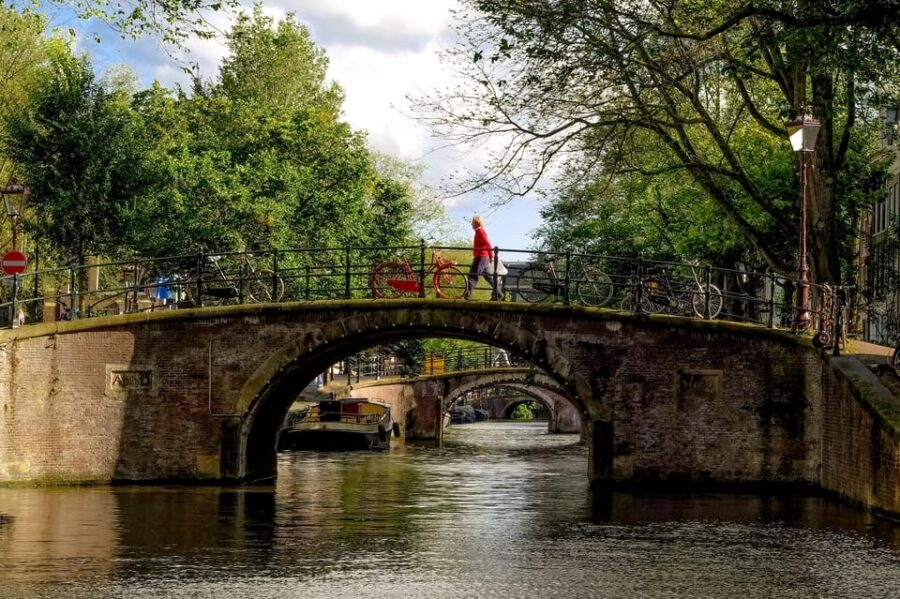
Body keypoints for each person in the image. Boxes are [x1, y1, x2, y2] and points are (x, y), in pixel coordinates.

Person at [464, 215, 502, 300]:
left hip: (481, 257)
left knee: (473, 276)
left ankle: (466, 296)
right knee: (488, 277)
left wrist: (491, 256)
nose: (471, 224)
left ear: (477, 223)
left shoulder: (481, 232)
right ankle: (499, 294)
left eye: (472, 222)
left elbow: (487, 244)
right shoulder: (478, 232)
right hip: (482, 257)